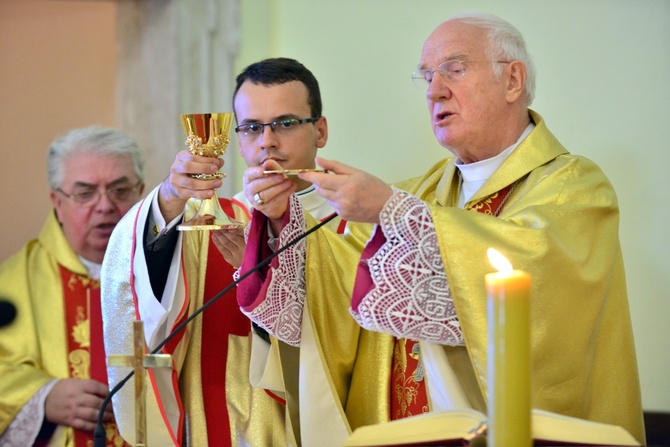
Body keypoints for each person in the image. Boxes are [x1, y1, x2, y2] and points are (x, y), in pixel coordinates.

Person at [237, 11, 646, 446]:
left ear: (512, 80)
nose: (434, 91)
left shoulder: (575, 187)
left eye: (454, 69)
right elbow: (336, 285)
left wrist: (392, 211)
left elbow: (538, 282)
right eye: (427, 76)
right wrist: (282, 220)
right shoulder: (420, 192)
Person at [101, 57, 337, 446]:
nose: (268, 141)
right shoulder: (212, 225)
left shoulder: (355, 220)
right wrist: (169, 198)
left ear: (321, 130)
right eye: (251, 127)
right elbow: (139, 292)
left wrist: (262, 268)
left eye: (286, 123)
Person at [0, 126, 145, 447]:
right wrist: (41, 395)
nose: (105, 206)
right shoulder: (12, 284)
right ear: (57, 202)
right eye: (85, 193)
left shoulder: (173, 274)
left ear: (141, 193)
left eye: (120, 190)